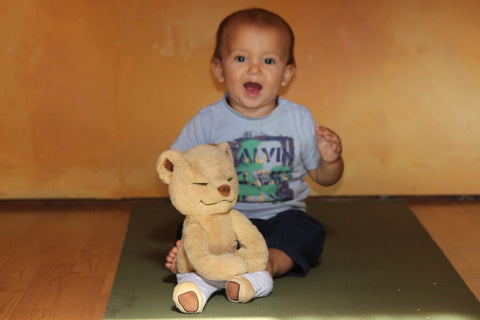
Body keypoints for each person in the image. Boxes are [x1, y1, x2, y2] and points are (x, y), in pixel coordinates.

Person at [165, 7, 343, 308]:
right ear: (220, 69)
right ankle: (199, 264)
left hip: (282, 216)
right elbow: (175, 172)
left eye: (269, 60)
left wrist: (330, 160)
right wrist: (195, 164)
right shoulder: (207, 122)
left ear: (286, 74)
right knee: (190, 227)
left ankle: (267, 263)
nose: (254, 69)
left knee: (309, 232)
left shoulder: (298, 119)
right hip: (223, 219)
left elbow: (326, 178)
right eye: (241, 58)